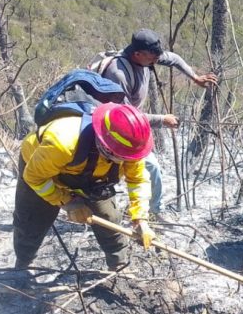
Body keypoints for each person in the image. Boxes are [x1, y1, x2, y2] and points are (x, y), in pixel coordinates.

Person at [13, 103, 156, 271]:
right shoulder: (62, 143)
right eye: (123, 157)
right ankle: (22, 265)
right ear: (107, 147)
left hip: (93, 177)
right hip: (42, 169)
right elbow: (35, 178)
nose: (130, 161)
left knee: (107, 217)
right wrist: (68, 202)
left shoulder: (130, 147)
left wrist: (140, 220)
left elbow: (138, 180)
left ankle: (119, 266)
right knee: (33, 219)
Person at [98, 28, 217, 220]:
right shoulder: (118, 74)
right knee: (133, 170)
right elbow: (125, 119)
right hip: (114, 131)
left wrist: (194, 77)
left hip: (133, 124)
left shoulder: (147, 56)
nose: (155, 62)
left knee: (150, 168)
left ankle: (153, 210)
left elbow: (174, 59)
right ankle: (112, 213)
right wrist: (162, 120)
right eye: (152, 60)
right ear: (137, 54)